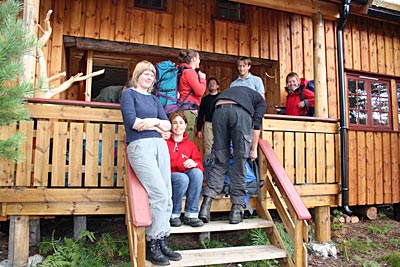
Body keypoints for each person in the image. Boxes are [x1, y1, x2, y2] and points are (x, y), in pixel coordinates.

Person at [120, 60, 182, 266]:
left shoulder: (155, 100)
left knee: (168, 192)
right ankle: (152, 242)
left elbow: (167, 124)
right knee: (159, 193)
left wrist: (154, 123)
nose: (149, 77)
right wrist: (156, 125)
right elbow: (134, 123)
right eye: (146, 73)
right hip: (140, 147)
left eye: (152, 75)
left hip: (159, 147)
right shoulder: (129, 94)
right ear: (137, 75)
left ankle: (163, 238)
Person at [199, 86, 266, 225]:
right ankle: (236, 212)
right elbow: (256, 125)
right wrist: (253, 149)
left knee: (220, 161)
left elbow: (213, 106)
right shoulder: (261, 102)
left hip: (218, 112)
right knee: (239, 164)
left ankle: (205, 206)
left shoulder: (235, 91)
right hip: (239, 114)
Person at [166, 111, 205, 228]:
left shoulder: (190, 145)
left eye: (181, 123)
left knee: (197, 173)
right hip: (169, 175)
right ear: (170, 126)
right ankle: (174, 214)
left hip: (184, 176)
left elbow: (200, 165)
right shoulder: (164, 142)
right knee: (182, 178)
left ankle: (191, 214)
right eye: (175, 123)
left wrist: (194, 163)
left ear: (186, 125)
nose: (178, 126)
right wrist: (181, 163)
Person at [178, 49, 207, 141]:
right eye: (199, 58)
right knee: (187, 137)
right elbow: (199, 91)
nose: (199, 61)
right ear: (194, 59)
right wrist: (203, 79)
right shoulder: (190, 72)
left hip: (182, 107)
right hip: (188, 109)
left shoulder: (181, 70)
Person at [196, 77, 220, 156]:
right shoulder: (205, 99)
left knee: (220, 145)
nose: (211, 85)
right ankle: (208, 165)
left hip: (220, 124)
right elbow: (201, 114)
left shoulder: (222, 98)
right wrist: (199, 129)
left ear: (217, 86)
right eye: (209, 84)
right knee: (208, 145)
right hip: (208, 124)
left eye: (213, 83)